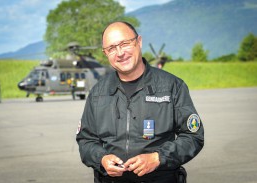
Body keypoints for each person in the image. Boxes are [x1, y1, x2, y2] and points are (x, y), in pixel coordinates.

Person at [76, 21, 204, 183]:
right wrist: (102, 158)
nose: (120, 52)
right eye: (112, 48)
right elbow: (86, 140)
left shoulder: (172, 86)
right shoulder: (98, 93)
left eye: (125, 43)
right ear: (105, 53)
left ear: (139, 42)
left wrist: (158, 158)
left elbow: (193, 136)